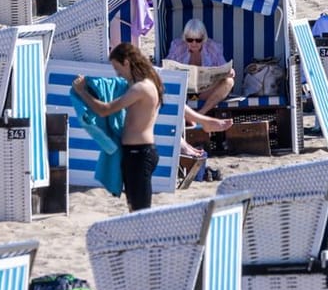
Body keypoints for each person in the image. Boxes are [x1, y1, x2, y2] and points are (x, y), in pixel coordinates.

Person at [71, 43, 164, 211]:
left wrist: (82, 92)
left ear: (127, 62)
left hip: (140, 153)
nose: (117, 73)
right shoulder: (145, 84)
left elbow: (104, 110)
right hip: (136, 152)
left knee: (140, 211)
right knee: (134, 207)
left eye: (117, 68)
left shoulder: (140, 88)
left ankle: (142, 237)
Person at [163, 18, 236, 114]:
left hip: (204, 93)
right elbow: (166, 68)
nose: (194, 43)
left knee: (229, 82)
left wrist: (230, 72)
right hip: (183, 92)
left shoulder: (213, 47)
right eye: (190, 40)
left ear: (203, 38)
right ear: (185, 38)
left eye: (198, 40)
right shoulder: (177, 46)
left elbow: (224, 68)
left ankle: (201, 113)